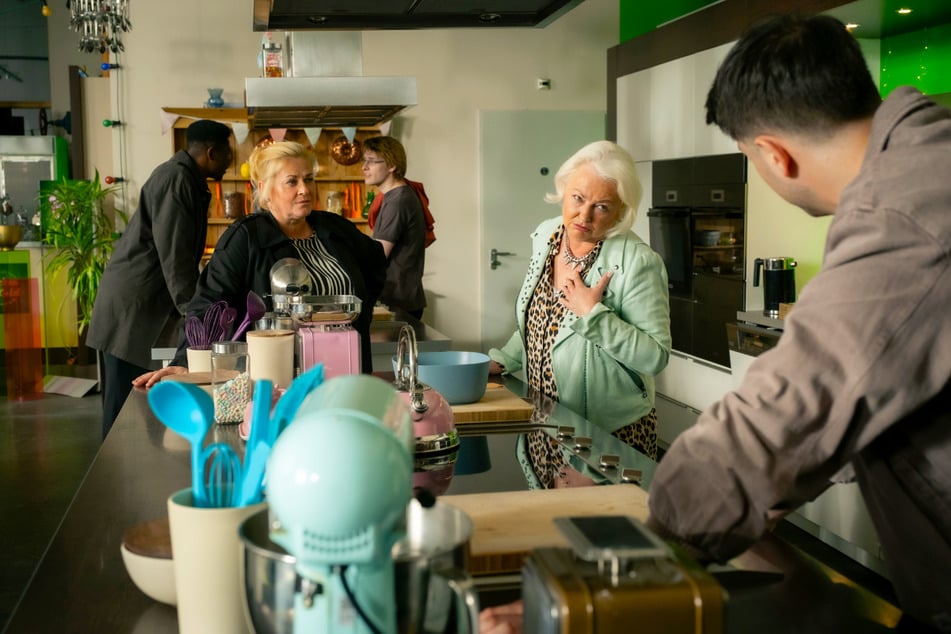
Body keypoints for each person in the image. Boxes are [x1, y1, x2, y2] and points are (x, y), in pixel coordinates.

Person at [483, 14, 951, 633]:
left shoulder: (902, 215)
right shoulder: (927, 162)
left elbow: (787, 410)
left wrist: (627, 566)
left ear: (772, 154)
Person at [487, 140, 671, 490]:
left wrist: (594, 314)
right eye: (577, 198)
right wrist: (503, 360)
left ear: (621, 211)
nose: (584, 216)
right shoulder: (548, 236)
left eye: (602, 206)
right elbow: (539, 318)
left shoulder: (637, 262)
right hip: (547, 419)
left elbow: (654, 356)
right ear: (563, 191)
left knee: (602, 540)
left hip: (605, 436)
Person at [133, 140, 386, 387]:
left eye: (309, 179)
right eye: (292, 181)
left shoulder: (336, 228)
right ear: (265, 188)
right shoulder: (246, 237)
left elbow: (374, 265)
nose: (305, 190)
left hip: (346, 372)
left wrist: (360, 315)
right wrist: (185, 360)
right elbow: (211, 303)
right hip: (280, 381)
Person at [86, 119, 233, 439]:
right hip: (131, 305)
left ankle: (127, 471)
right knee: (123, 405)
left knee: (137, 399)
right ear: (211, 152)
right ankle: (112, 480)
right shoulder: (176, 179)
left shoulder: (185, 178)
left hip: (138, 303)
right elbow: (175, 257)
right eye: (227, 152)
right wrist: (196, 317)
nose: (230, 159)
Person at [361, 136, 429, 319]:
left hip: (399, 301)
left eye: (371, 161)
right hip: (399, 298)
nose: (364, 167)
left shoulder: (398, 201)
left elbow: (378, 254)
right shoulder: (395, 197)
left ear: (391, 166)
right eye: (364, 160)